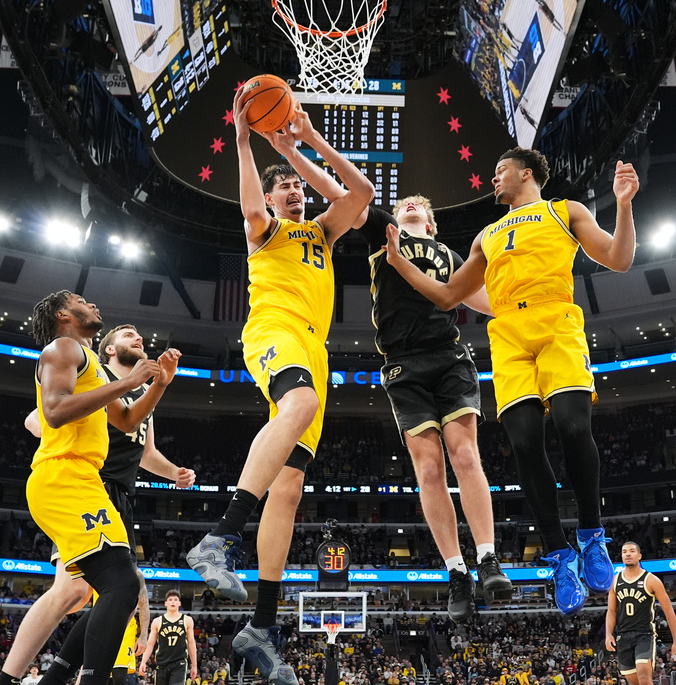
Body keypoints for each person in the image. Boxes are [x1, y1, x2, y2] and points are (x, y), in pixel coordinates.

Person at [384, 148, 639, 613]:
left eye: (499, 170)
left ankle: (591, 534)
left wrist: (623, 204)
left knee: (573, 425)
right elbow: (446, 297)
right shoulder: (486, 235)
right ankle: (560, 555)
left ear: (525, 174)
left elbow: (619, 259)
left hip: (556, 319)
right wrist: (401, 264)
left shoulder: (566, 211)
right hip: (508, 334)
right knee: (523, 442)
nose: (493, 178)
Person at [185, 92, 373, 685]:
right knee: (301, 403)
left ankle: (261, 625)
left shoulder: (322, 230)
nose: (293, 190)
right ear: (269, 198)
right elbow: (246, 209)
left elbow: (361, 196)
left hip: (314, 350)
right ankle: (219, 538)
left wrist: (307, 143)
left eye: (296, 185)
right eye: (282, 186)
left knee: (289, 491)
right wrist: (245, 143)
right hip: (274, 331)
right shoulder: (264, 230)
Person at [289, 170, 513, 619]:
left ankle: (488, 558)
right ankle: (456, 571)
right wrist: (296, 148)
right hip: (402, 363)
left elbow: (495, 302)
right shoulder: (384, 231)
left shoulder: (452, 256)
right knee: (429, 472)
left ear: (431, 224)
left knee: (466, 456)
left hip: (449, 356)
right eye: (405, 202)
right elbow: (342, 195)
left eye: (419, 206)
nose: (410, 205)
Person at [0, 324, 196, 685]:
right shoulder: (94, 375)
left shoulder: (138, 396)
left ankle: (54, 677)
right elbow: (37, 416)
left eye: (140, 334)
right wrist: (50, 428)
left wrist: (174, 473)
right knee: (74, 590)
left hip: (120, 495)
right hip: (86, 486)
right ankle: (14, 677)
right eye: (128, 335)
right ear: (108, 349)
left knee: (118, 595)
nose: (138, 338)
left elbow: (145, 452)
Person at [604, 542, 676, 685]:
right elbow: (611, 611)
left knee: (644, 677)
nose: (628, 554)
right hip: (623, 635)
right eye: (624, 551)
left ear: (639, 556)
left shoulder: (651, 580)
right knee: (634, 682)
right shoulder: (615, 581)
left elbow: (668, 610)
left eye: (632, 551)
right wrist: (608, 634)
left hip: (644, 635)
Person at [139, 591, 197, 685]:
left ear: (179, 603)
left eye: (175, 600)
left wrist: (194, 665)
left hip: (179, 663)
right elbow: (150, 644)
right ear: (166, 603)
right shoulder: (157, 621)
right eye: (170, 600)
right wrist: (143, 662)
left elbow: (191, 643)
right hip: (162, 663)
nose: (173, 602)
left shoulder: (187, 620)